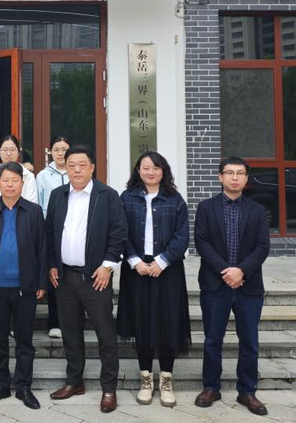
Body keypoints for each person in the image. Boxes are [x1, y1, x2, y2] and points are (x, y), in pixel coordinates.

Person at [47, 145, 126, 414]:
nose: (77, 170)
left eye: (82, 165)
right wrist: (52, 264)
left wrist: (107, 266)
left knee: (105, 334)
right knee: (70, 332)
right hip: (65, 277)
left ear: (92, 167)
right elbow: (50, 232)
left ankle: (109, 388)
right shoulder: (58, 195)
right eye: (71, 165)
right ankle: (74, 381)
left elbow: (118, 234)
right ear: (66, 168)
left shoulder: (107, 195)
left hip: (95, 277)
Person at [194, 157, 270, 416]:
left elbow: (262, 246)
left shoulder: (257, 210)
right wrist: (226, 271)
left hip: (249, 286)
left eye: (240, 173)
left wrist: (241, 270)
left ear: (247, 178)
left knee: (249, 341)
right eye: (229, 173)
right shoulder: (206, 208)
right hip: (216, 285)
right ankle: (211, 387)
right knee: (212, 339)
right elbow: (202, 243)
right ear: (220, 177)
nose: (235, 177)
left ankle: (247, 390)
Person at [117, 151, 191, 407]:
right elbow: (120, 232)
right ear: (138, 170)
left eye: (156, 168)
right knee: (142, 324)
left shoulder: (174, 199)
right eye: (146, 167)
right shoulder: (127, 197)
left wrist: (162, 261)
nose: (151, 172)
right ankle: (146, 379)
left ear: (163, 171)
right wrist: (134, 260)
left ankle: (167, 380)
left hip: (167, 270)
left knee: (168, 323)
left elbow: (182, 235)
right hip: (136, 269)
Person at [0, 162, 47, 410]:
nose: (10, 185)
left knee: (25, 339)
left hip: (25, 287)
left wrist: (41, 282)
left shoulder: (34, 212)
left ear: (22, 184)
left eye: (15, 180)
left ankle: (24, 386)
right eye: (5, 180)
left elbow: (42, 248)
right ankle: (1, 384)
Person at [35, 135, 71, 339]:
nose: (60, 153)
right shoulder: (43, 176)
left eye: (64, 149)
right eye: (56, 149)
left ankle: (71, 321)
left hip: (73, 231)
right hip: (51, 230)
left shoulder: (76, 172)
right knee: (54, 275)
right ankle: (54, 322)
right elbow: (39, 203)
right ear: (50, 152)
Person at [0, 134, 38, 209]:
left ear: (18, 153)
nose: (9, 154)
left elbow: (32, 204)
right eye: (5, 150)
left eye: (13, 150)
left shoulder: (28, 175)